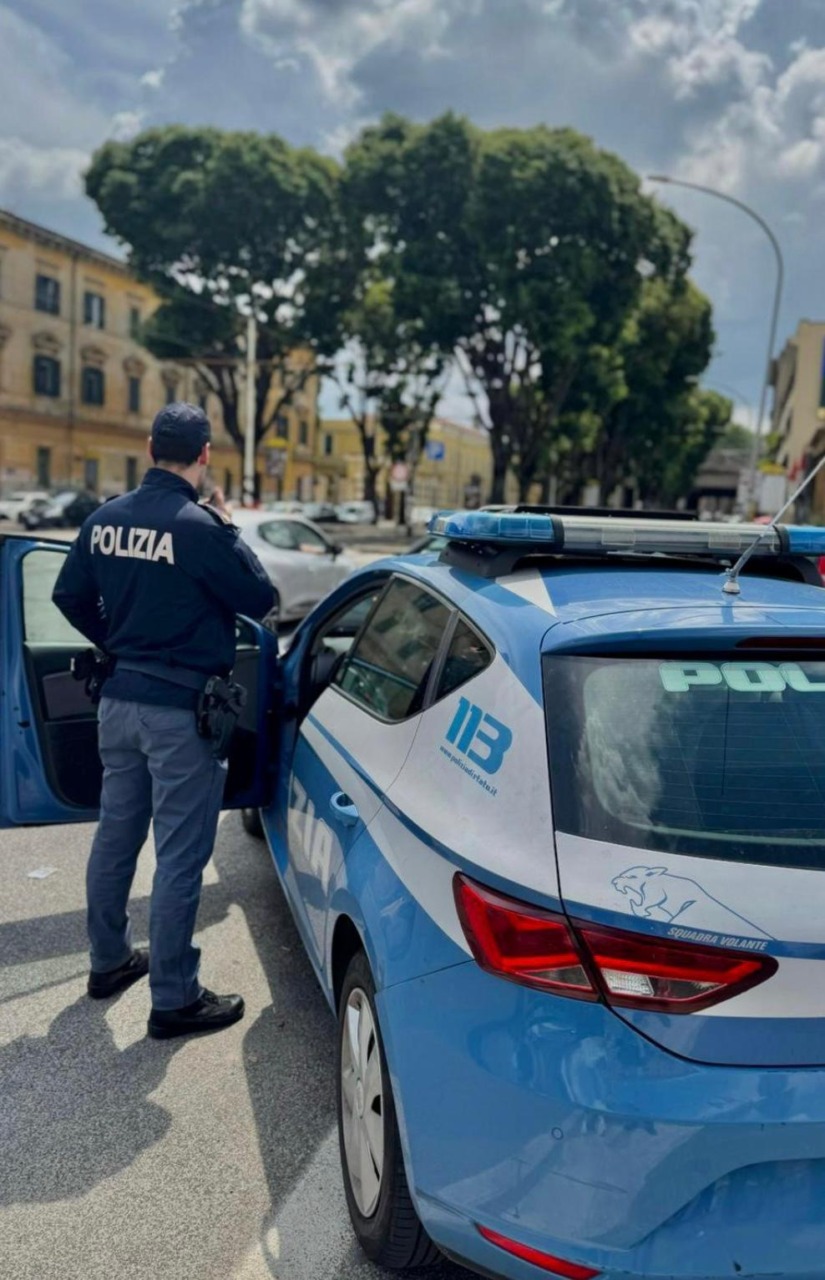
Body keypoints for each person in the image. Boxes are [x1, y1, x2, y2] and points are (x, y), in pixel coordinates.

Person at [52, 403, 275, 1040]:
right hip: (180, 713)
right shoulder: (200, 527)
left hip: (118, 704)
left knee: (115, 836)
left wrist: (116, 641)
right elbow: (259, 600)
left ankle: (108, 961)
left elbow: (66, 596)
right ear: (204, 455)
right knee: (180, 856)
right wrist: (230, 527)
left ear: (150, 446)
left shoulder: (104, 519)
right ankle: (174, 998)